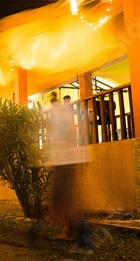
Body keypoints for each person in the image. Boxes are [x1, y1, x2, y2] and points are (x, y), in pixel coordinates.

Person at [47, 98, 94, 255]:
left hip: (65, 162)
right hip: (66, 161)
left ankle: (85, 242)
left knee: (64, 203)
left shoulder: (60, 116)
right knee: (66, 201)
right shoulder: (65, 114)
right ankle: (69, 233)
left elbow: (61, 139)